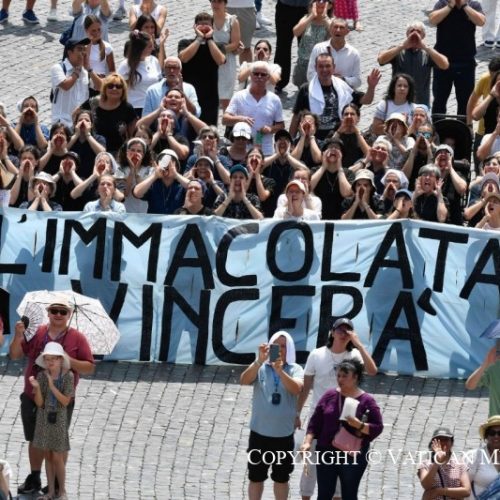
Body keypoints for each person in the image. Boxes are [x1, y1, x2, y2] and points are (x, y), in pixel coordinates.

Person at [9, 295, 94, 496]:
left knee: (57, 443)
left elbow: (89, 367)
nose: (58, 314)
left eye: (62, 311)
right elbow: (15, 355)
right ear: (48, 313)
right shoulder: (37, 332)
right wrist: (18, 335)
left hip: (60, 401)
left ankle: (56, 482)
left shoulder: (77, 338)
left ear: (69, 314)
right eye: (54, 310)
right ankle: (35, 477)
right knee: (34, 438)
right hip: (32, 395)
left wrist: (67, 359)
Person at [296, 317, 377, 500]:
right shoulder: (317, 355)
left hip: (345, 423)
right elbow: (306, 387)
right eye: (340, 329)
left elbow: (372, 371)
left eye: (348, 330)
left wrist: (359, 344)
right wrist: (297, 413)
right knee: (310, 469)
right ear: (332, 332)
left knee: (340, 475)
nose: (343, 333)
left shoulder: (355, 356)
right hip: (319, 419)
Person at [300, 358, 383, 500]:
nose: (340, 379)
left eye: (345, 376)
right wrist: (307, 442)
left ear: (355, 377)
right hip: (326, 451)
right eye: (338, 375)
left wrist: (359, 425)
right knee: (324, 494)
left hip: (352, 455)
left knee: (349, 494)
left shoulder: (367, 401)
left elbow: (378, 427)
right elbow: (315, 422)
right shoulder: (330, 395)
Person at [240, 331, 304, 500]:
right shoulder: (260, 367)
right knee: (255, 477)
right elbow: (244, 380)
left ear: (289, 349)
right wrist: (258, 361)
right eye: (276, 346)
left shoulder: (295, 369)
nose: (280, 349)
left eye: (283, 346)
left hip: (283, 436)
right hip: (259, 434)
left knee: (281, 478)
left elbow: (296, 389)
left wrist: (280, 371)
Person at [291, 52, 379, 140]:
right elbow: (296, 116)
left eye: (328, 66)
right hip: (314, 139)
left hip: (338, 139)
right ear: (315, 68)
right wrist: (291, 140)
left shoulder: (342, 86)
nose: (324, 69)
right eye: (321, 66)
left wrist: (371, 87)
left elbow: (366, 100)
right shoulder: (306, 89)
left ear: (333, 67)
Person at [29, 342, 74, 500]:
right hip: (44, 418)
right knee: (47, 455)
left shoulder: (68, 376)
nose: (50, 362)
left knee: (57, 456)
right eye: (47, 359)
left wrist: (51, 385)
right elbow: (40, 403)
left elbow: (65, 401)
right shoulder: (42, 376)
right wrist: (37, 388)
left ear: (61, 359)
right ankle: (50, 492)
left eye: (53, 359)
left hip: (59, 418)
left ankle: (62, 491)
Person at [429, 0, 485, 116]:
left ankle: (463, 127)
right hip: (442, 63)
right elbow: (433, 20)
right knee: (439, 100)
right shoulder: (442, 3)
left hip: (466, 63)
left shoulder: (473, 4)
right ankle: (438, 126)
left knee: (465, 102)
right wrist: (450, 6)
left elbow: (481, 21)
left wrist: (464, 6)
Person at [377, 21, 449, 107]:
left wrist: (426, 48)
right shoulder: (398, 50)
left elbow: (445, 65)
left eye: (418, 31)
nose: (415, 34)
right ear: (407, 34)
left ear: (423, 36)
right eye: (411, 31)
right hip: (397, 102)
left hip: (420, 104)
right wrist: (402, 46)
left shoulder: (427, 54)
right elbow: (381, 60)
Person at [223, 61, 285, 156]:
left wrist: (271, 128)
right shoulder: (239, 96)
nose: (259, 77)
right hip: (241, 151)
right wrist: (241, 119)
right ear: (250, 75)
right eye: (256, 74)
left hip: (265, 150)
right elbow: (225, 119)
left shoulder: (275, 100)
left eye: (263, 74)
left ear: (268, 77)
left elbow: (281, 125)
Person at [178, 12, 226, 125]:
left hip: (210, 97)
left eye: (207, 25)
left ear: (212, 27)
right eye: (201, 25)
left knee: (208, 130)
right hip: (189, 95)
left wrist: (209, 39)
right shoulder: (185, 43)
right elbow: (184, 58)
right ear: (195, 27)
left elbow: (220, 60)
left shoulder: (218, 46)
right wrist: (199, 38)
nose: (204, 27)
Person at [80, 73, 137, 155]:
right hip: (93, 151)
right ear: (104, 89)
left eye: (118, 86)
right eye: (110, 86)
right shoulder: (94, 103)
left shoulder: (127, 108)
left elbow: (132, 135)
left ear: (123, 90)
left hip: (118, 153)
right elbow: (76, 115)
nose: (114, 89)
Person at [306, 17, 361, 88]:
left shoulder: (354, 53)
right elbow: (310, 75)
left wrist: (343, 79)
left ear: (347, 32)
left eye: (341, 28)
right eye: (335, 27)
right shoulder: (318, 48)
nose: (338, 30)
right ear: (330, 30)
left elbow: (357, 81)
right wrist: (327, 80)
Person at [417, 427, 471, 499]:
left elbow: (467, 491)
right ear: (433, 444)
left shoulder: (460, 465)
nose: (442, 443)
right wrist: (437, 462)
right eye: (439, 440)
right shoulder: (425, 465)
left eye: (446, 440)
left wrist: (439, 491)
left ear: (451, 443)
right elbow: (426, 485)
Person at [117, 30, 162, 117]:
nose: (153, 49)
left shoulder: (154, 60)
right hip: (135, 107)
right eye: (149, 46)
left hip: (154, 106)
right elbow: (120, 88)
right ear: (140, 49)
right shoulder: (126, 65)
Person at [50, 38, 91, 127]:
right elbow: (66, 85)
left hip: (79, 124)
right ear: (69, 52)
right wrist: (77, 71)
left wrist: (89, 69)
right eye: (79, 49)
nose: (83, 53)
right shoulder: (58, 68)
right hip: (62, 123)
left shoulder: (85, 72)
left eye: (84, 49)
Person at [133, 148, 187, 214]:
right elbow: (137, 193)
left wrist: (176, 175)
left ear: (177, 167)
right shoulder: (152, 184)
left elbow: (195, 187)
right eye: (163, 161)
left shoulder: (181, 185)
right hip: (155, 220)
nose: (166, 165)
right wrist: (154, 176)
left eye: (171, 163)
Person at [292, 0, 332, 89]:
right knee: (303, 89)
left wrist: (325, 17)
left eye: (324, 1)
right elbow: (296, 32)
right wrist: (311, 16)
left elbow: (335, 34)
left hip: (320, 64)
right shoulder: (306, 18)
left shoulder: (331, 21)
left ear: (329, 5)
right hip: (303, 63)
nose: (320, 2)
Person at [310, 138, 353, 220]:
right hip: (319, 218)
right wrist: (323, 167)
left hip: (340, 219)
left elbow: (346, 193)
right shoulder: (315, 170)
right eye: (330, 147)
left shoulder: (348, 173)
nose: (333, 149)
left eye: (337, 148)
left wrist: (339, 167)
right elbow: (308, 187)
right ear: (323, 153)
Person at [273, 0, 309, 94]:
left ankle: (306, 81)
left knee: (306, 47)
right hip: (285, 7)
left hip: (307, 8)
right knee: (282, 46)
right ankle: (279, 81)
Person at [211, 0, 241, 112]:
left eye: (219, 2)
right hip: (210, 63)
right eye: (213, 1)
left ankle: (227, 121)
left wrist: (216, 49)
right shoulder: (207, 20)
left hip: (227, 64)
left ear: (225, 3)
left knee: (226, 100)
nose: (215, 5)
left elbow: (235, 43)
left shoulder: (232, 21)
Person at [468, 415, 500, 498]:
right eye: (492, 433)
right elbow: (464, 486)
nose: (496, 436)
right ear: (486, 436)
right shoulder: (474, 456)